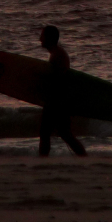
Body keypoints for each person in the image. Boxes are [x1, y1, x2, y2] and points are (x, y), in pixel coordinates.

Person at [38, 25, 86, 157]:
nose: (39, 39)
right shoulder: (57, 53)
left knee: (47, 132)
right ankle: (83, 157)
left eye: (42, 36)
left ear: (49, 38)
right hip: (60, 100)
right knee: (64, 133)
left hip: (58, 100)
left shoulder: (58, 55)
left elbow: (59, 80)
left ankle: (42, 160)